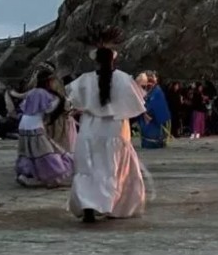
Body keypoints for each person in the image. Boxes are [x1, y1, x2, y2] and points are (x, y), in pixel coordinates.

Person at [67, 46, 149, 223]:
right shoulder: (124, 79)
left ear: (96, 60)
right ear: (114, 59)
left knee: (88, 168)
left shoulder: (84, 80)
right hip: (115, 127)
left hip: (90, 127)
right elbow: (136, 105)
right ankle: (111, 204)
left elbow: (73, 100)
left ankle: (88, 205)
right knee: (113, 168)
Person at [15, 67, 74, 188]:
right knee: (45, 152)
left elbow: (22, 107)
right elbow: (50, 109)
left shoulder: (31, 92)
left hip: (24, 123)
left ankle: (29, 175)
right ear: (49, 82)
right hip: (35, 124)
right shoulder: (46, 94)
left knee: (29, 152)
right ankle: (52, 177)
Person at [137, 72, 171, 149]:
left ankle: (158, 142)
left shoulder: (157, 91)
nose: (148, 84)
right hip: (146, 115)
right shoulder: (147, 91)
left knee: (155, 132)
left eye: (150, 82)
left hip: (154, 117)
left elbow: (157, 103)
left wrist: (147, 111)